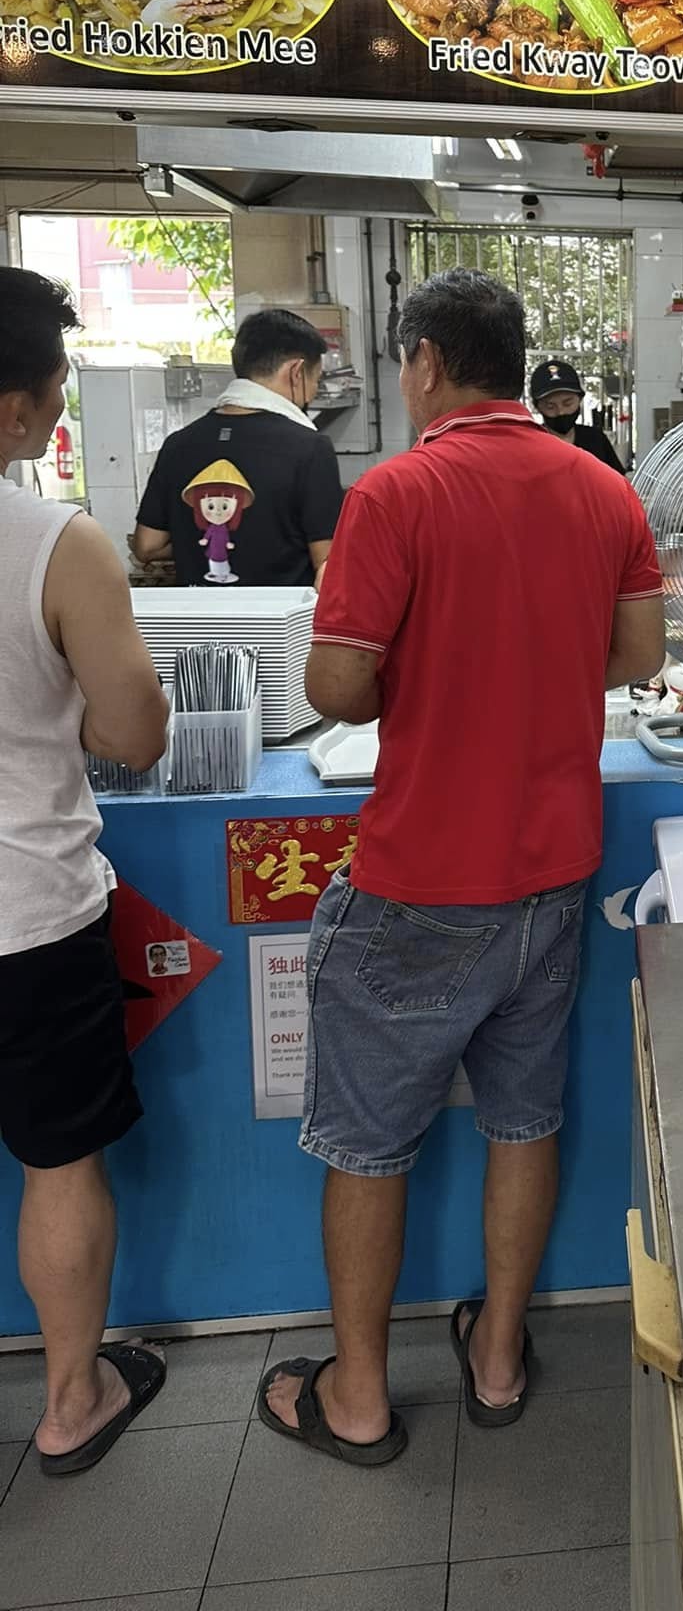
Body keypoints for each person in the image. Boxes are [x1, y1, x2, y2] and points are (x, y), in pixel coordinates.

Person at [260, 268, 664, 1464]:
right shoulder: (604, 489)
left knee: (367, 1141)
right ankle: (496, 1359)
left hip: (421, 882)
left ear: (426, 360)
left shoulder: (398, 490)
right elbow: (638, 653)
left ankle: (361, 1400)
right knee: (523, 1119)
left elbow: (332, 683)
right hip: (553, 884)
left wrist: (431, 675)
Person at [0, 268, 171, 1474]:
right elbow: (134, 730)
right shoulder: (55, 541)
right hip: (25, 914)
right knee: (59, 1159)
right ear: (14, 409)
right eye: (56, 394)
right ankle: (72, 1400)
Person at [131, 307, 343, 588]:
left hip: (199, 624)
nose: (314, 390)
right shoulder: (311, 448)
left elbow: (147, 546)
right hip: (278, 626)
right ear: (296, 371)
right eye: (316, 379)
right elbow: (327, 565)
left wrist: (205, 543)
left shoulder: (178, 444)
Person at [529, 358, 626, 473]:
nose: (561, 412)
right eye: (550, 406)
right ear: (537, 407)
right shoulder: (531, 447)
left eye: (567, 403)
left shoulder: (596, 440)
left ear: (580, 399)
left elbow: (620, 483)